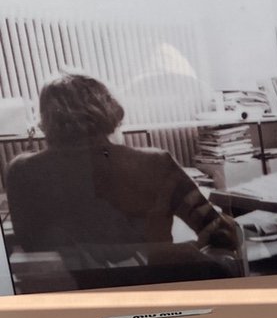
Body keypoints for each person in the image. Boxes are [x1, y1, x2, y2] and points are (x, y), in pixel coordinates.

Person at [5, 73, 241, 287]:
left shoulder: (20, 171)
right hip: (158, 294)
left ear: (45, 119)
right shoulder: (155, 163)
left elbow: (30, 243)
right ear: (110, 111)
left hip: (76, 303)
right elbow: (221, 233)